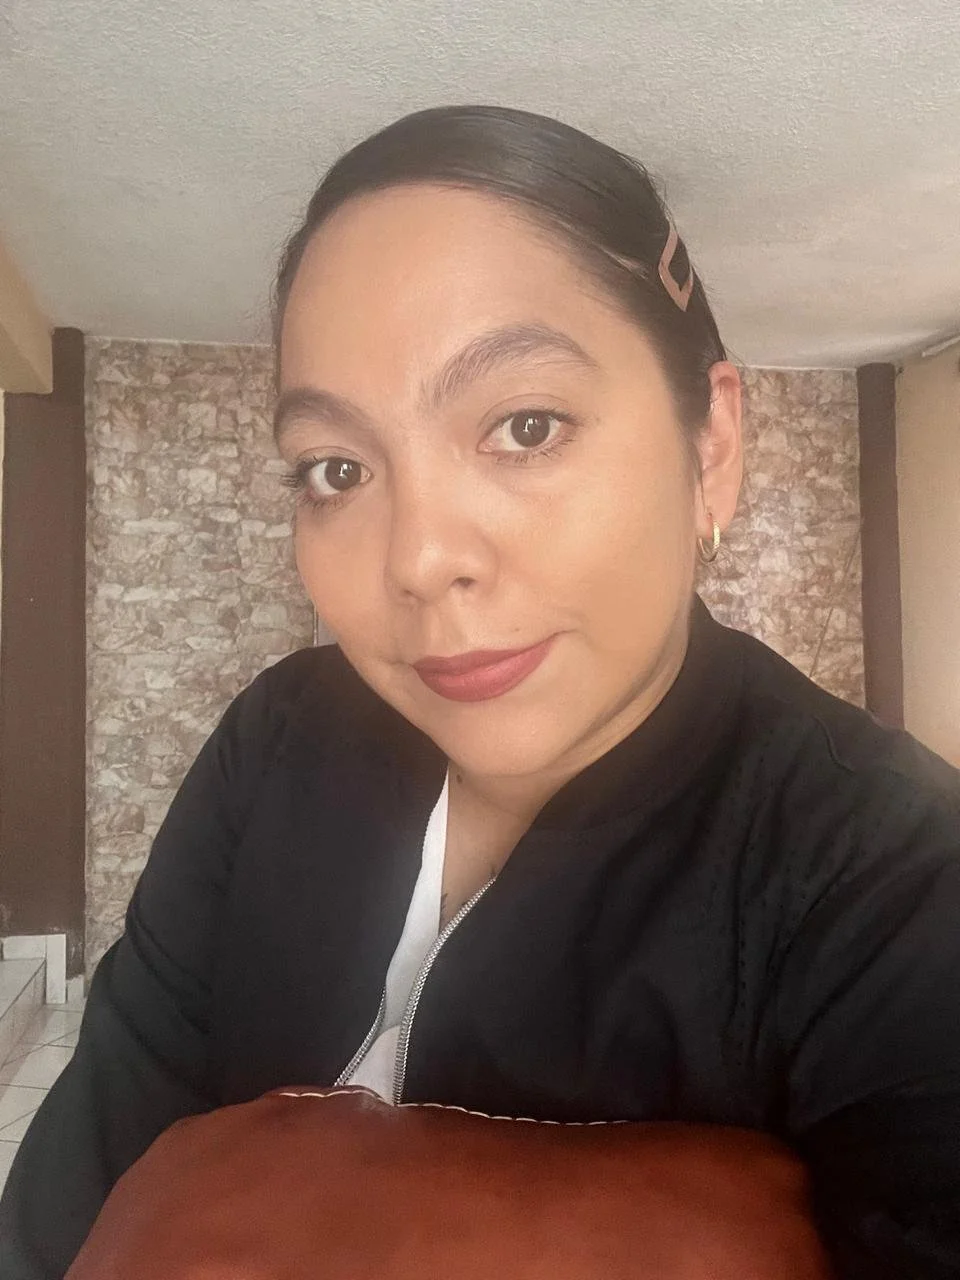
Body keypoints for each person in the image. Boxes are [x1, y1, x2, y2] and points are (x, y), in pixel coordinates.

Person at [1, 105, 958, 1279]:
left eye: (525, 425)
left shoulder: (891, 875)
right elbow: (66, 1212)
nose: (416, 559)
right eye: (336, 468)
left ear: (709, 446)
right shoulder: (278, 741)